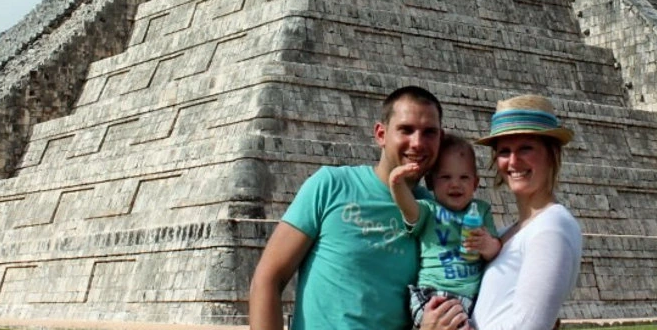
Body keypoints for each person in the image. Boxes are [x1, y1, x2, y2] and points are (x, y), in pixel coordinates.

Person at [249, 86, 453, 330]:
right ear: (381, 134)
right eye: (406, 130)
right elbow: (268, 278)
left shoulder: (437, 215)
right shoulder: (330, 186)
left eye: (429, 133)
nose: (417, 143)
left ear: (441, 138)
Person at [423, 94, 583, 330]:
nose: (513, 161)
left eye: (526, 148)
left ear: (552, 154)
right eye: (504, 151)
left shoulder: (552, 228)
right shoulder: (509, 232)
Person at [389, 133, 500, 328]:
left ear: (475, 183)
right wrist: (397, 184)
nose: (455, 184)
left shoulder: (481, 210)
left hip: (471, 298)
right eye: (445, 177)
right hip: (432, 294)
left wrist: (487, 245)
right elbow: (408, 207)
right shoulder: (429, 210)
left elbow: (495, 249)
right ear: (431, 183)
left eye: (464, 177)